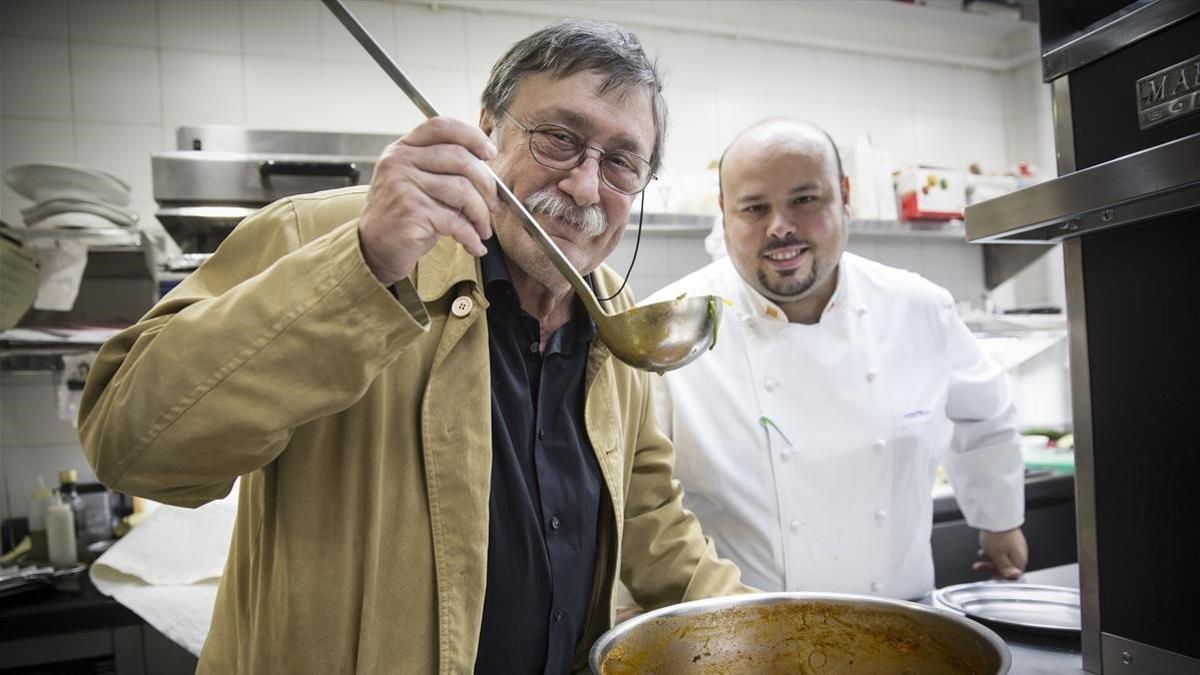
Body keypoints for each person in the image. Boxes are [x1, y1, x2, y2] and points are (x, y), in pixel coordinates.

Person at [78, 20, 749, 674]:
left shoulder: (614, 318)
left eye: (621, 163)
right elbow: (130, 444)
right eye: (558, 139)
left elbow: (653, 522)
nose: (583, 185)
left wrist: (764, 634)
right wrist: (361, 267)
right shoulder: (333, 237)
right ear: (487, 130)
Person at [647, 118, 1027, 601]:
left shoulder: (918, 307)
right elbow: (640, 498)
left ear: (844, 195)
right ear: (724, 213)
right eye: (754, 208)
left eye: (804, 201)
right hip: (743, 643)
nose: (780, 227)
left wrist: (999, 522)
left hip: (903, 628)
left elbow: (986, 414)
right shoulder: (672, 328)